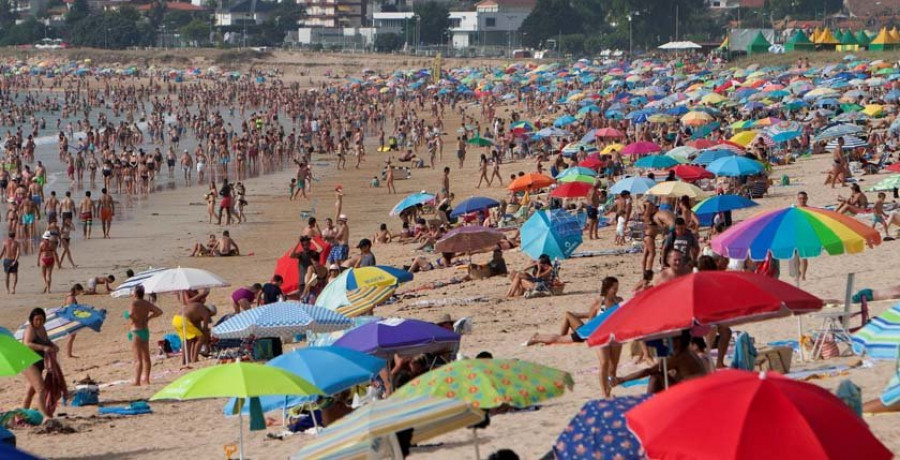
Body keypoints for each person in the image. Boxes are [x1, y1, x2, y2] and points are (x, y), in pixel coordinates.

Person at [612, 329, 708, 394]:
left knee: (656, 375)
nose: (667, 341)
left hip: (690, 393)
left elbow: (648, 371)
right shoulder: (689, 352)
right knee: (664, 373)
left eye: (670, 340)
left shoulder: (679, 357)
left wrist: (622, 379)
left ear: (677, 341)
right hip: (698, 389)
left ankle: (649, 403)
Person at [22, 308, 56, 418]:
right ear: (32, 319)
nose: (39, 322)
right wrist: (43, 347)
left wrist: (52, 345)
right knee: (41, 389)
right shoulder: (30, 329)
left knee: (30, 393)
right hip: (29, 362)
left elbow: (46, 340)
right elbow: (27, 344)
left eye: (41, 319)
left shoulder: (42, 328)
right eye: (37, 319)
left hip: (39, 362)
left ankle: (21, 417)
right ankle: (45, 416)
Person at [127, 286, 163, 386]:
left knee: (137, 358)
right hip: (145, 330)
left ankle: (137, 380)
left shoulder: (134, 303)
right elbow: (159, 311)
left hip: (136, 330)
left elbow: (130, 315)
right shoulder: (146, 303)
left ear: (135, 293)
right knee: (146, 357)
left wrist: (127, 315)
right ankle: (146, 379)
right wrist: (149, 317)